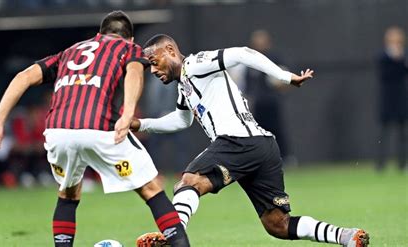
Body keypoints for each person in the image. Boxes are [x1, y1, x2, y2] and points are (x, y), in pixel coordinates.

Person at [132, 34, 369, 246]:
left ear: (171, 51)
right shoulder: (185, 85)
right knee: (278, 224)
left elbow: (243, 54)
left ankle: (173, 236)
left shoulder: (195, 64)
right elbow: (182, 121)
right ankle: (345, 236)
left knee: (187, 183)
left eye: (154, 62)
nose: (152, 71)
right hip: (262, 145)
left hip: (237, 141)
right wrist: (141, 124)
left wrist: (285, 77)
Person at [0, 12, 189, 247]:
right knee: (151, 188)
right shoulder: (129, 49)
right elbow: (134, 72)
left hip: (58, 131)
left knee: (68, 193)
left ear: (99, 35)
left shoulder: (69, 52)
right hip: (98, 127)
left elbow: (24, 76)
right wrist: (128, 112)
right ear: (128, 39)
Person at [241, 30, 295, 164]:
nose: (259, 44)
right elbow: (248, 84)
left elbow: (285, 80)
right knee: (259, 132)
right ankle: (263, 159)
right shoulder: (250, 61)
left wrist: (280, 85)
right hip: (258, 103)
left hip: (272, 101)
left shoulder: (274, 58)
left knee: (277, 129)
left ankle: (286, 157)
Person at [376, 26, 407, 172]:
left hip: (401, 99)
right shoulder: (382, 57)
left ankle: (402, 164)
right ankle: (380, 164)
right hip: (387, 100)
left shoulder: (403, 58)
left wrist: (401, 60)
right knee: (384, 133)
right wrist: (396, 60)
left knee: (402, 134)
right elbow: (385, 76)